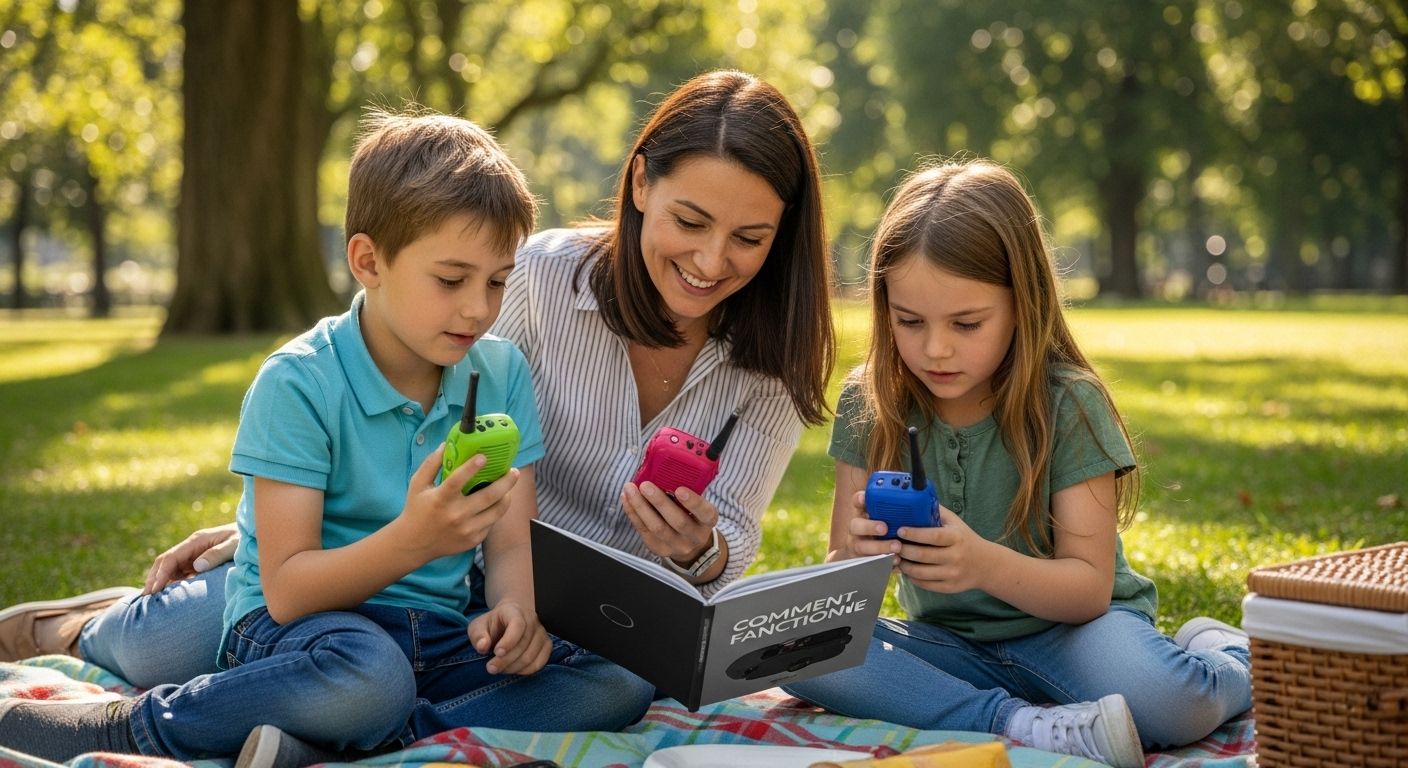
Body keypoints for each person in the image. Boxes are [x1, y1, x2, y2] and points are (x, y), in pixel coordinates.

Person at [0, 67, 834, 735]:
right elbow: (389, 374)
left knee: (606, 689)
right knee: (183, 639)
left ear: (783, 236)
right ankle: (85, 630)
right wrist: (268, 522)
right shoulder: (534, 281)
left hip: (502, 615)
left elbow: (725, 544)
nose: (712, 259)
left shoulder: (764, 369)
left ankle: (368, 727)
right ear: (642, 184)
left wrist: (699, 554)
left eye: (750, 238)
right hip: (399, 572)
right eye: (691, 219)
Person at [779, 159, 1252, 768]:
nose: (935, 348)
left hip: (1076, 635)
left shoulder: (1067, 403)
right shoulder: (870, 401)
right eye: (909, 322)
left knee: (1174, 704)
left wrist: (979, 563)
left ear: (1021, 304)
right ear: (883, 307)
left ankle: (1230, 657)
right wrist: (859, 561)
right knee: (792, 645)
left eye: (967, 323)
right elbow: (841, 572)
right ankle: (1019, 723)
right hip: (946, 644)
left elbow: (1088, 588)